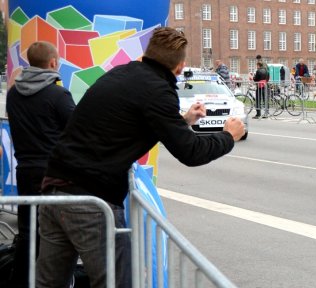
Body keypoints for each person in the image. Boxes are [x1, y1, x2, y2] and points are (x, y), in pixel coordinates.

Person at [35, 27, 245, 288]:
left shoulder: (121, 74)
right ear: (179, 67)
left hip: (53, 190)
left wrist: (184, 120)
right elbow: (190, 152)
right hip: (91, 201)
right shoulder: (158, 89)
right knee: (117, 282)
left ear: (149, 53)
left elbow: (127, 123)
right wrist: (228, 136)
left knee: (49, 284)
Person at [5, 41, 76, 288]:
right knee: (56, 234)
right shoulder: (58, 94)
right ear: (53, 62)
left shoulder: (13, 93)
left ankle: (21, 282)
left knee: (27, 232)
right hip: (54, 174)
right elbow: (76, 130)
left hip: (25, 169)